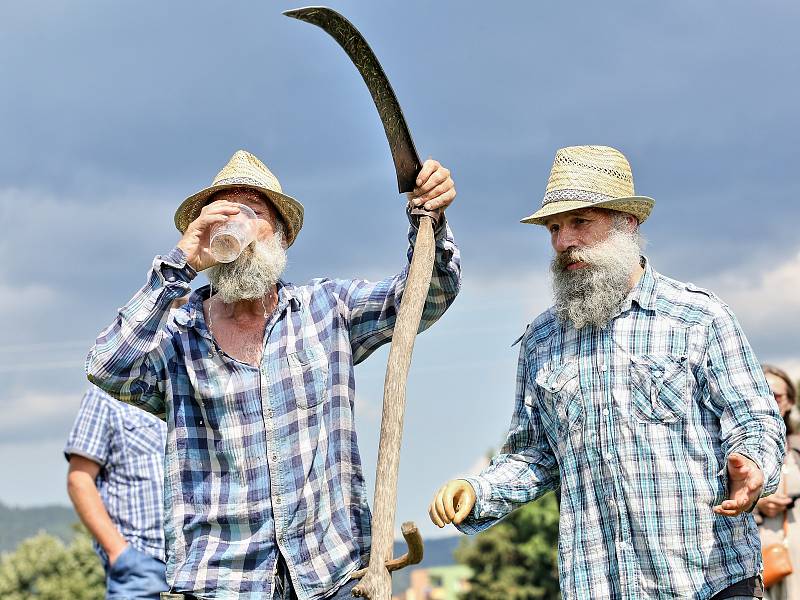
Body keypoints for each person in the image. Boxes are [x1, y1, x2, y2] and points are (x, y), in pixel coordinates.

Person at [86, 149, 460, 600]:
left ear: (280, 235)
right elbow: (106, 367)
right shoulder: (178, 338)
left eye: (252, 212)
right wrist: (182, 260)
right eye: (223, 213)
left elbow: (428, 295)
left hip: (331, 576)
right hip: (221, 585)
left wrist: (430, 221)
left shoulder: (327, 309)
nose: (235, 225)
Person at [428, 145, 784, 599]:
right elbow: (535, 454)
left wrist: (753, 465)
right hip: (598, 584)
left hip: (708, 580)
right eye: (555, 228)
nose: (563, 242)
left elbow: (755, 420)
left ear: (627, 223)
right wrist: (478, 491)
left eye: (580, 222)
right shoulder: (542, 340)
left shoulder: (698, 317)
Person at [65, 385, 169, 599]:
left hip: (197, 566)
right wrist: (119, 553)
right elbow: (79, 480)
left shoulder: (186, 387)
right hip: (141, 564)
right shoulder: (105, 393)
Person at [757, 365, 800, 600]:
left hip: (795, 545)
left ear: (790, 401)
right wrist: (756, 504)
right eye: (763, 392)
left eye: (777, 395)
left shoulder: (797, 448)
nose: (771, 400)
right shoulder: (734, 446)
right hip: (754, 548)